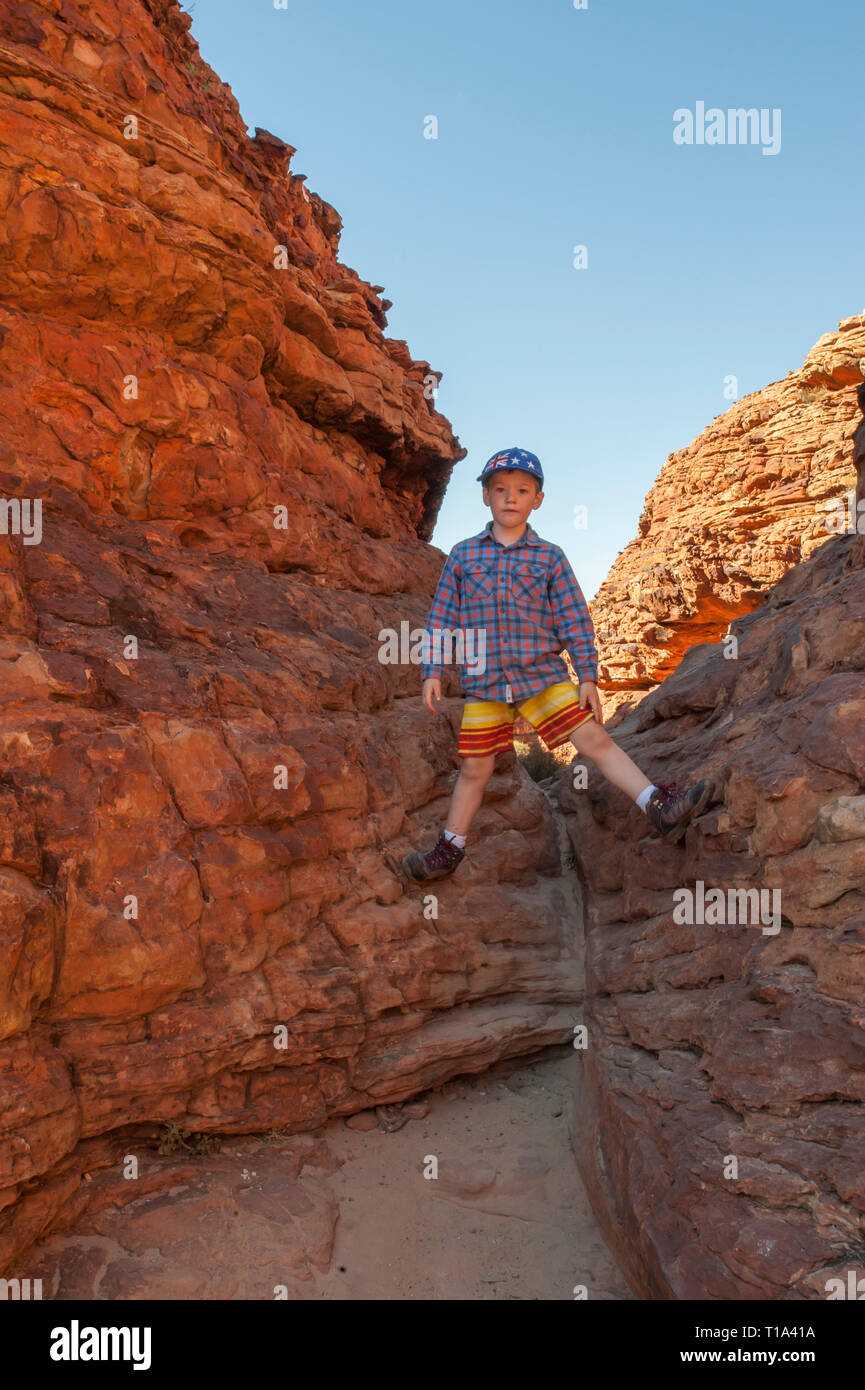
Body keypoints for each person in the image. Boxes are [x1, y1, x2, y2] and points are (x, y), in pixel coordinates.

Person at [400, 446, 713, 882]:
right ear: (486, 497)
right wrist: (432, 669)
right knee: (476, 768)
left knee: (593, 739)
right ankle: (449, 850)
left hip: (540, 675)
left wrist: (587, 675)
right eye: (501, 489)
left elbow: (573, 620)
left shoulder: (549, 557)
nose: (511, 498)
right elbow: (442, 618)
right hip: (485, 683)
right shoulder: (463, 555)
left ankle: (658, 806)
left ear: (537, 500)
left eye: (522, 490)